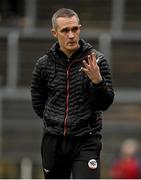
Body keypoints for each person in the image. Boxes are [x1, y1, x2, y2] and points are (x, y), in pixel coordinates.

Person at [31, 8, 114, 179]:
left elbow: (105, 103)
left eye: (75, 29)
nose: (71, 35)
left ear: (80, 29)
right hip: (53, 141)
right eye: (65, 30)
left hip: (86, 140)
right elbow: (38, 101)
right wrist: (54, 120)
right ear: (54, 33)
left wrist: (97, 81)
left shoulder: (97, 61)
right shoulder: (43, 64)